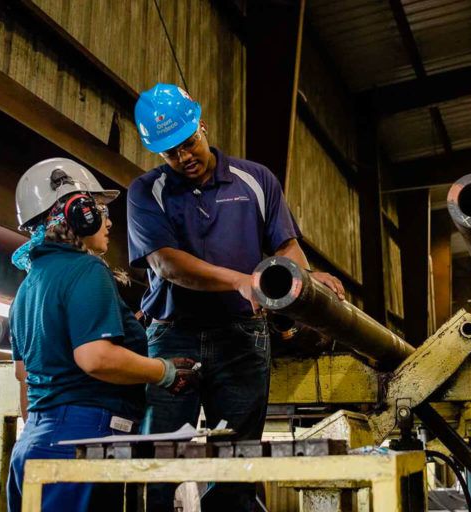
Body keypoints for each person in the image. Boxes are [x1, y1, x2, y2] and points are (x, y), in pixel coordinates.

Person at [127, 83, 345, 511]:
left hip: (241, 337)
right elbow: (167, 265)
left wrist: (306, 277)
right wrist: (239, 280)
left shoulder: (256, 179)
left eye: (189, 143)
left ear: (202, 125)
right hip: (173, 339)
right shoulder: (144, 192)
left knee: (237, 463)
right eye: (171, 152)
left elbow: (285, 246)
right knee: (155, 461)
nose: (184, 157)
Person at [6, 158, 199, 512]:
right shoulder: (86, 269)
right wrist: (164, 371)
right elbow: (95, 357)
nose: (109, 221)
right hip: (82, 442)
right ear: (79, 213)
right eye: (100, 210)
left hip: (33, 444)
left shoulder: (27, 287)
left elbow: (24, 378)